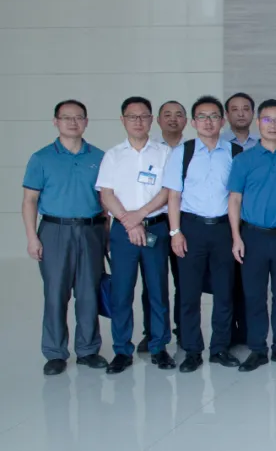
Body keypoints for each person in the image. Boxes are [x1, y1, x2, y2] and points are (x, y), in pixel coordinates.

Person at [23, 99, 108, 376]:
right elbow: (29, 200)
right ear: (55, 121)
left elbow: (105, 201)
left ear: (86, 121)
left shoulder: (100, 157)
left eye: (78, 117)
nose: (73, 122)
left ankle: (88, 350)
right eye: (66, 117)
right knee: (55, 293)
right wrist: (32, 237)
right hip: (54, 231)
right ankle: (55, 353)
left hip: (91, 230)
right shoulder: (41, 158)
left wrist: (106, 237)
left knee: (88, 292)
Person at [164, 95, 243, 373]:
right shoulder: (182, 153)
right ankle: (192, 350)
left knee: (224, 291)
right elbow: (173, 196)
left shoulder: (235, 153)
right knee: (189, 293)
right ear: (193, 122)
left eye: (213, 117)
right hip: (191, 229)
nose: (208, 122)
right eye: (202, 117)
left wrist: (236, 235)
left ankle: (220, 347)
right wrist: (175, 232)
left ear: (222, 121)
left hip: (223, 229)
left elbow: (237, 197)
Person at [96, 97, 175, 374]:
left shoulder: (164, 153)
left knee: (157, 290)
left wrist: (139, 215)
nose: (138, 121)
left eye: (143, 116)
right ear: (123, 120)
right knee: (121, 292)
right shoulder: (112, 155)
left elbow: (168, 190)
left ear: (151, 120)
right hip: (123, 231)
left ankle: (158, 346)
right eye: (132, 116)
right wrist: (128, 222)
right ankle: (122, 350)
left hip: (156, 227)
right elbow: (106, 194)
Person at [227, 99, 276, 372]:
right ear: (258, 122)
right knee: (254, 296)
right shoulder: (243, 159)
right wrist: (236, 237)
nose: (273, 125)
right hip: (253, 237)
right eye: (267, 119)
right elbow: (235, 199)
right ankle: (257, 349)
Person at [138, 99, 187, 353]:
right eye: (167, 115)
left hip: (183, 223)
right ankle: (151, 332)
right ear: (157, 120)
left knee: (184, 281)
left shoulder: (193, 150)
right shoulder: (148, 150)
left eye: (178, 115)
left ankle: (182, 330)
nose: (173, 119)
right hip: (155, 222)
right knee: (152, 282)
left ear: (186, 121)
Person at [223, 91, 257, 347]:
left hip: (253, 224)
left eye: (246, 108)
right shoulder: (219, 145)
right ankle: (228, 333)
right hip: (225, 223)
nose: (241, 113)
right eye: (235, 109)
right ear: (227, 115)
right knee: (227, 281)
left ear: (253, 114)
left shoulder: (262, 144)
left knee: (250, 281)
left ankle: (247, 331)